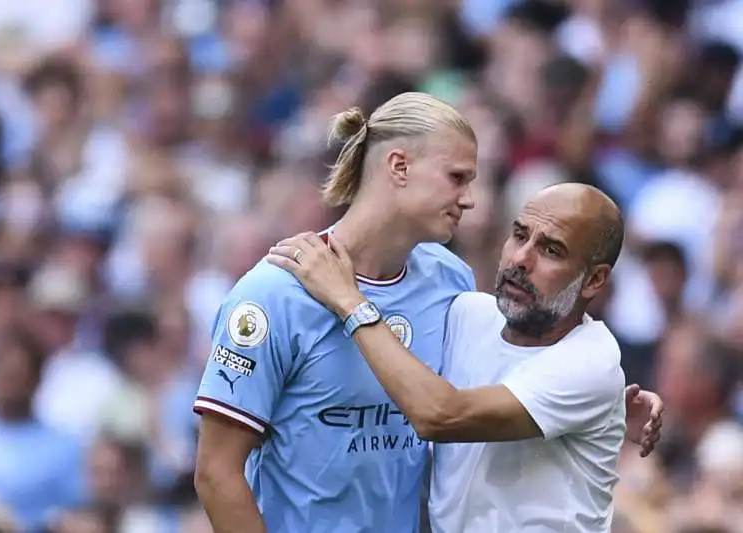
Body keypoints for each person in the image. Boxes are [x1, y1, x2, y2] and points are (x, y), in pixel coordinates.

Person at [192, 93, 661, 533]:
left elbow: (454, 403)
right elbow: (216, 474)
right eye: (457, 177)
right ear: (399, 166)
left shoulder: (448, 281)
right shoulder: (273, 294)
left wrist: (604, 408)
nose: (470, 198)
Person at [266, 182, 662, 533]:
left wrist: (348, 300)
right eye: (519, 235)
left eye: (551, 250)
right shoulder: (464, 315)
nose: (521, 259)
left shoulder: (592, 361)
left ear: (594, 280)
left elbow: (439, 414)